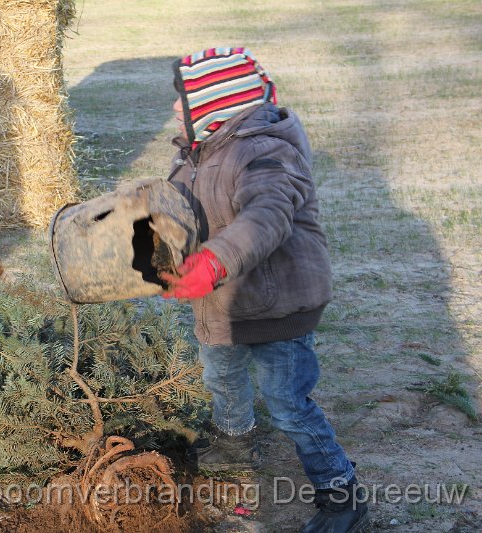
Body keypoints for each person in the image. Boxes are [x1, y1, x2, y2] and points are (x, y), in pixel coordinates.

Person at [160, 47, 369, 533]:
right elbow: (177, 210)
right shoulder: (193, 153)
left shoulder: (267, 150)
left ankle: (342, 495)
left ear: (216, 104)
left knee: (288, 403)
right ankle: (235, 463)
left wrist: (213, 260)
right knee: (224, 389)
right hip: (220, 306)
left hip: (278, 304)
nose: (174, 110)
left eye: (182, 99)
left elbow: (267, 216)